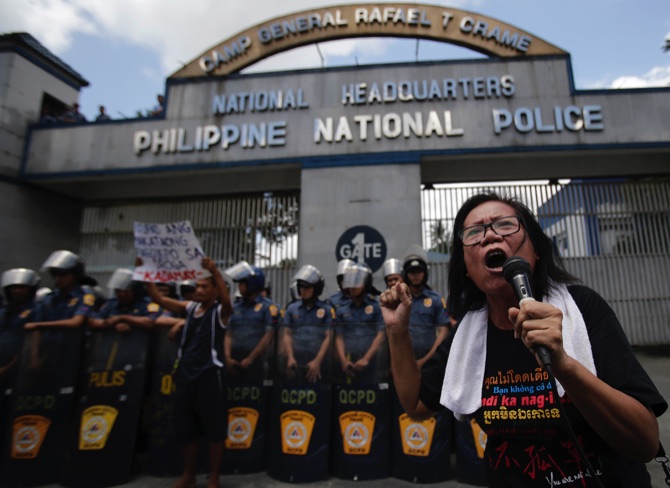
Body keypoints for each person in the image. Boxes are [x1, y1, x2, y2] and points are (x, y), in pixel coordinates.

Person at [381, 192, 667, 487]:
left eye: (505, 225)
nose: (490, 236)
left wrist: (565, 367)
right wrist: (397, 331)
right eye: (474, 232)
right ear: (467, 267)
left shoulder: (582, 309)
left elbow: (644, 442)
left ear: (536, 251)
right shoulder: (466, 338)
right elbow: (415, 405)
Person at [145, 257, 232, 488]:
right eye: (198, 286)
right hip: (186, 375)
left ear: (214, 289)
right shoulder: (190, 308)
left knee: (214, 430)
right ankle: (188, 475)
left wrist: (214, 269)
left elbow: (226, 300)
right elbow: (158, 298)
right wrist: (145, 272)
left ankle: (214, 476)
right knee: (187, 429)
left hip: (209, 375)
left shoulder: (220, 312)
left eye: (205, 286)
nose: (199, 290)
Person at [223, 261, 279, 377]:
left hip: (258, 362)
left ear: (253, 283)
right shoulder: (236, 307)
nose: (239, 286)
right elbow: (228, 334)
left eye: (242, 282)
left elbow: (269, 336)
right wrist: (227, 358)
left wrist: (250, 359)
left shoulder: (268, 307)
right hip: (234, 362)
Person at [334, 262, 386, 384]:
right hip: (348, 362)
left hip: (373, 362)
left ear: (366, 283)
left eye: (357, 281)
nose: (352, 286)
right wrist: (343, 361)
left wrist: (366, 359)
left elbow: (381, 335)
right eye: (350, 281)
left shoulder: (377, 307)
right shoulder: (341, 310)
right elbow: (339, 337)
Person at [281, 265, 334, 383]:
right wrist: (290, 357)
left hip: (319, 361)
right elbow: (286, 335)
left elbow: (328, 337)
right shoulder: (291, 309)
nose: (303, 291)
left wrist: (317, 361)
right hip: (296, 360)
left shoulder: (326, 310)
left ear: (316, 288)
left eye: (307, 287)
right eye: (301, 287)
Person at [400, 251, 451, 367]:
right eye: (412, 272)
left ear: (425, 273)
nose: (416, 275)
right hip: (404, 361)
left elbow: (443, 332)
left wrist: (427, 359)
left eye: (419, 272)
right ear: (405, 275)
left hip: (431, 361)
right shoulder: (400, 300)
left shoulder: (436, 299)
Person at [0, 268, 42, 388]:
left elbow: (33, 340)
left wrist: (6, 368)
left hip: (19, 368)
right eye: (13, 287)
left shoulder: (36, 310)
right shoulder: (3, 312)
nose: (17, 291)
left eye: (22, 287)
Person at [89, 268, 158, 333]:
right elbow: (92, 321)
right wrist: (113, 325)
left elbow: (150, 322)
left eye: (126, 291)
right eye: (119, 291)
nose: (122, 294)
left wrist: (123, 318)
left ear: (136, 291)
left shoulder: (148, 305)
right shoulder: (112, 303)